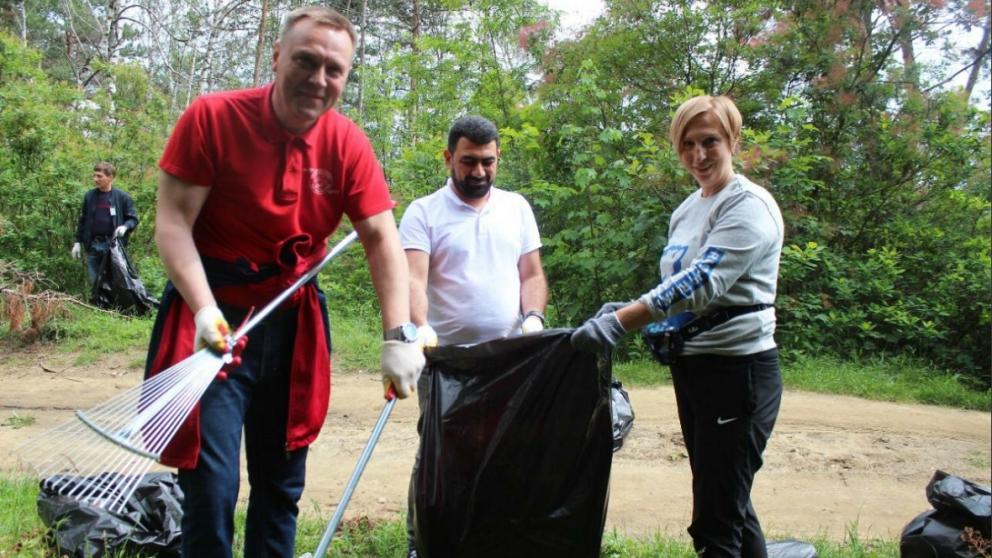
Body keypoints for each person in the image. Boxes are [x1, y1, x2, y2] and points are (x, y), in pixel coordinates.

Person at [144, 6, 425, 557]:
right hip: (215, 322)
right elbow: (173, 223)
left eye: (334, 70)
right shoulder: (212, 119)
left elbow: (381, 239)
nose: (319, 80)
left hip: (290, 325)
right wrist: (203, 310)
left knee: (280, 487)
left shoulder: (347, 144)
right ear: (276, 58)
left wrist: (398, 335)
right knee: (210, 487)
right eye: (306, 61)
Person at [571, 95, 784, 558]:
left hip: (739, 373)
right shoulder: (689, 209)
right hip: (696, 372)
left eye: (709, 141)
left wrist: (620, 322)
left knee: (716, 519)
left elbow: (700, 284)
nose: (698, 155)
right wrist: (628, 306)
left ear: (733, 140)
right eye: (687, 144)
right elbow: (677, 286)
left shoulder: (748, 207)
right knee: (729, 499)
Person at [398, 115, 548, 556]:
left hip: (510, 357)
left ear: (498, 158)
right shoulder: (424, 212)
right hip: (446, 360)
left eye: (487, 162)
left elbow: (533, 274)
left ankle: (492, 540)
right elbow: (412, 279)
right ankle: (421, 544)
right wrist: (420, 326)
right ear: (448, 158)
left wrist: (533, 316)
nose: (479, 172)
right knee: (441, 456)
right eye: (468, 162)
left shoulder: (517, 207)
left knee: (506, 453)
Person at [71, 162, 138, 287]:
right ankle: (97, 306)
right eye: (94, 176)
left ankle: (114, 307)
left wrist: (125, 226)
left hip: (112, 247)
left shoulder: (122, 197)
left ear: (110, 177)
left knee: (113, 285)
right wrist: (77, 242)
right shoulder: (90, 196)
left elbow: (133, 219)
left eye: (99, 176)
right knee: (95, 284)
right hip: (93, 246)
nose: (95, 179)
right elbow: (83, 220)